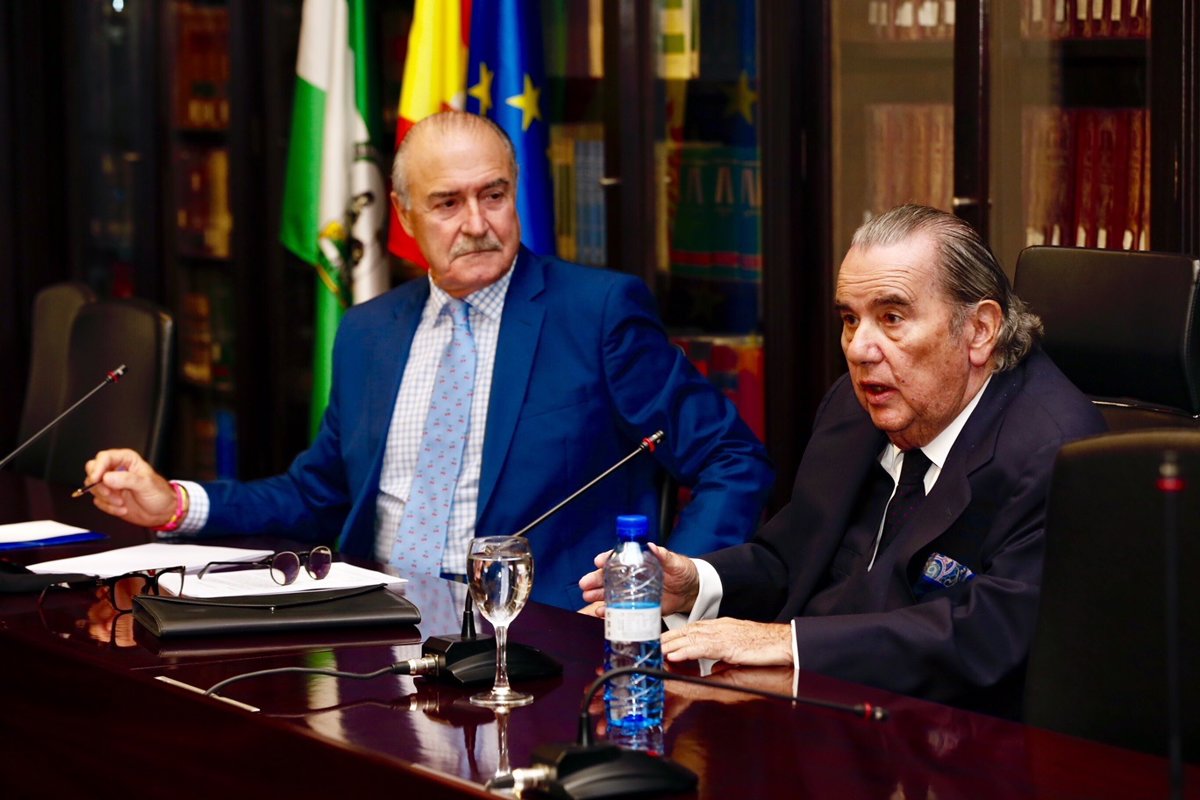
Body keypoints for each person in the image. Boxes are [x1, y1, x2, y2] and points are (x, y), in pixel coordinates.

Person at [84, 111, 773, 611]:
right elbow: (316, 495)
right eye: (447, 203)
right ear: (404, 215)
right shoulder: (368, 333)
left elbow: (732, 458)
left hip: (544, 640)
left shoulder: (597, 313)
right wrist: (176, 503)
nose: (477, 223)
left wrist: (667, 587)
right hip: (372, 625)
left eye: (493, 195)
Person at [581, 204, 1106, 714]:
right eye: (851, 319)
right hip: (814, 715)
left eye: (892, 317)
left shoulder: (1055, 450)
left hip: (951, 735)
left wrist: (791, 643)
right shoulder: (855, 409)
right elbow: (793, 559)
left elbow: (988, 634)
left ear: (980, 329)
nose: (858, 349)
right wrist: (699, 582)